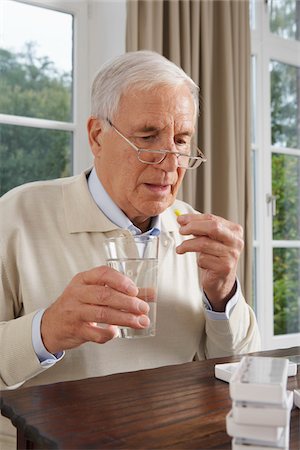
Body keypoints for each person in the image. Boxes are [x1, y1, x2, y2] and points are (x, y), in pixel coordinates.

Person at [0, 50, 260, 448]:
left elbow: (239, 368)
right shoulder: (16, 215)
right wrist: (46, 329)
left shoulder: (196, 232)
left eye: (182, 140)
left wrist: (222, 294)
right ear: (97, 136)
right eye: (147, 137)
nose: (170, 161)